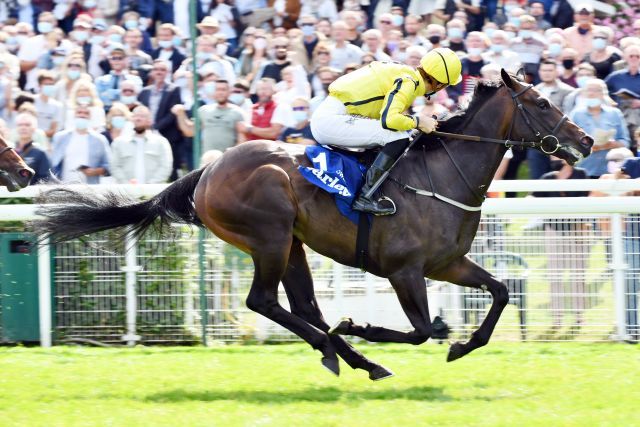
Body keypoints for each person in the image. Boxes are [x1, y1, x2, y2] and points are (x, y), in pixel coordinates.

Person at [310, 47, 462, 216]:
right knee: (397, 136)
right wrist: (418, 121)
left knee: (398, 134)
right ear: (439, 84)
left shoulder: (405, 73)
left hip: (333, 115)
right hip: (332, 120)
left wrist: (414, 122)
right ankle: (365, 196)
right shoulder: (409, 82)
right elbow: (389, 120)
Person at [533, 157, 591, 337]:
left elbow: (587, 202)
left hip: (576, 231)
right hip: (553, 230)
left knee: (578, 275)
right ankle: (557, 317)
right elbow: (532, 198)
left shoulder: (581, 175)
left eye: (556, 155)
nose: (552, 158)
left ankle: (579, 316)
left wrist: (583, 227)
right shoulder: (547, 178)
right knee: (555, 275)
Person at [570, 79, 630, 178]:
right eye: (588, 90)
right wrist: (587, 146)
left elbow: (626, 141)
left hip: (611, 172)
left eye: (596, 90)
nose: (591, 93)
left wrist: (611, 144)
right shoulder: (576, 114)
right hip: (585, 169)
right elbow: (569, 142)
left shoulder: (615, 113)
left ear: (603, 94)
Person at [172, 80, 246, 152]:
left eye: (223, 89)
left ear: (229, 92)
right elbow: (190, 132)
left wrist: (232, 154)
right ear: (214, 92)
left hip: (228, 160)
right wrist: (181, 114)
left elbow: (241, 140)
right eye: (217, 89)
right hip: (208, 160)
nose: (220, 92)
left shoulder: (237, 112)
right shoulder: (204, 110)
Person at [110, 106, 173, 184]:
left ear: (150, 120)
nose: (138, 119)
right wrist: (126, 183)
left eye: (142, 116)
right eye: (135, 116)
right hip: (126, 191)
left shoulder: (161, 142)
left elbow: (165, 166)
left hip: (154, 191)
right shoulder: (119, 142)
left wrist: (151, 184)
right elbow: (115, 166)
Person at [50, 105, 110, 184]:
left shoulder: (100, 140)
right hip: (63, 186)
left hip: (89, 187)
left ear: (90, 117)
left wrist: (95, 171)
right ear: (74, 115)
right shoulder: (60, 137)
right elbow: (52, 162)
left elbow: (108, 165)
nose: (82, 115)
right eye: (79, 112)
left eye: (86, 113)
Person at [14, 113, 51, 184]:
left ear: (34, 128)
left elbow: (45, 179)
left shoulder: (40, 153)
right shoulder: (9, 151)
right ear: (16, 128)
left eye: (27, 125)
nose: (23, 127)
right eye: (20, 125)